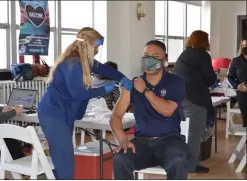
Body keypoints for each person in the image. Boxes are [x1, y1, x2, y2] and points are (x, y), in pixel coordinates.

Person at [37, 27, 133, 179]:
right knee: (65, 164)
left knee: (63, 160)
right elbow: (79, 94)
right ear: (87, 44)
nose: (97, 50)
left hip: (63, 113)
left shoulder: (84, 61)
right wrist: (103, 89)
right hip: (54, 114)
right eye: (96, 47)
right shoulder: (73, 63)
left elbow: (105, 69)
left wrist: (122, 77)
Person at [110, 40, 190, 180]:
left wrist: (145, 90)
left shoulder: (175, 82)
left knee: (177, 161)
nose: (149, 60)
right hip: (141, 143)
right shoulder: (132, 85)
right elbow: (116, 116)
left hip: (169, 141)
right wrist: (122, 138)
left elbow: (167, 110)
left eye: (154, 56)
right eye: (146, 55)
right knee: (120, 159)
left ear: (164, 60)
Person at [173, 30, 217, 173]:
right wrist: (214, 77)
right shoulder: (202, 55)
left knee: (185, 132)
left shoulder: (184, 54)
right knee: (194, 133)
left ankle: (183, 161)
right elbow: (209, 78)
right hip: (196, 98)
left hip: (181, 97)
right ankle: (191, 165)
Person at [227, 37, 247, 127]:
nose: (245, 47)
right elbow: (230, 77)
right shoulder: (236, 61)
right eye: (243, 45)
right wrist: (237, 86)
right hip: (243, 94)